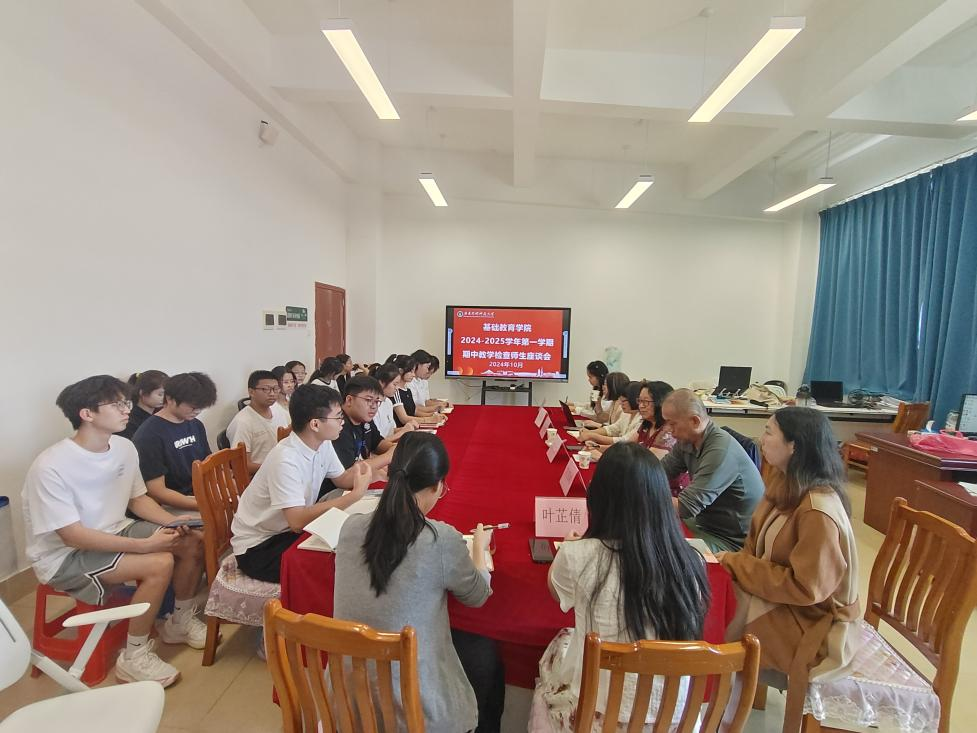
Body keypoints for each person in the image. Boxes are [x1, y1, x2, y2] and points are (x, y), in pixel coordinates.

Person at [23, 375, 208, 688]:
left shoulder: (123, 447)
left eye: (126, 402)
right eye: (117, 404)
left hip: (116, 529)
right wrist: (146, 546)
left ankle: (179, 621)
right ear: (87, 413)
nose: (127, 409)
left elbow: (138, 499)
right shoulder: (51, 466)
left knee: (191, 541)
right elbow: (72, 536)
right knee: (159, 562)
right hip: (65, 555)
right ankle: (133, 657)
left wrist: (173, 523)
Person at [532, 443, 710, 731]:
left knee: (561, 644)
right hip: (674, 720)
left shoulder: (579, 555)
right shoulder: (690, 560)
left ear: (599, 499)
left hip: (598, 716)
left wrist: (569, 546)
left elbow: (556, 589)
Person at [333, 432, 492, 733]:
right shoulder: (440, 539)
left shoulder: (350, 527)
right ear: (436, 486)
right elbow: (478, 595)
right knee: (485, 657)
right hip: (411, 709)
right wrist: (479, 551)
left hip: (347, 703)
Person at [718, 407, 861, 733]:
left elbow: (807, 588)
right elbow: (754, 549)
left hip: (814, 622)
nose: (761, 439)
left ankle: (722, 717)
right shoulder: (785, 483)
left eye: (769, 432)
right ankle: (720, 709)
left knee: (721, 617)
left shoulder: (818, 509)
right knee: (715, 595)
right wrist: (739, 565)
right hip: (785, 601)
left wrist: (738, 564)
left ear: (794, 446)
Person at [230, 385, 373, 583]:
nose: (343, 422)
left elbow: (341, 478)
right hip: (259, 547)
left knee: (352, 542)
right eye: (338, 417)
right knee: (340, 568)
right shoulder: (285, 459)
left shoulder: (323, 442)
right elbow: (297, 522)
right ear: (315, 424)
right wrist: (355, 496)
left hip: (286, 531)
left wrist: (361, 475)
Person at [659, 389, 764, 552]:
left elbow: (685, 507)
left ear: (695, 421)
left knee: (661, 549)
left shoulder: (719, 450)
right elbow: (659, 473)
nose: (667, 429)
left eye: (672, 424)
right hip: (703, 523)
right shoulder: (687, 440)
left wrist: (642, 496)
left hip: (730, 540)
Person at [132, 372, 217, 512]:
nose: (198, 411)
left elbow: (207, 463)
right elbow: (157, 491)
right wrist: (205, 505)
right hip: (173, 503)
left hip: (201, 493)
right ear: (170, 399)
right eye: (193, 407)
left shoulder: (196, 425)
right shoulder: (149, 435)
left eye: (201, 407)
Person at [225, 370, 291, 474]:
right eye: (266, 389)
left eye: (275, 389)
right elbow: (241, 465)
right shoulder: (242, 422)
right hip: (259, 476)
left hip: (281, 468)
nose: (272, 393)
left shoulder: (278, 410)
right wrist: (275, 468)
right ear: (251, 392)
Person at [332, 375, 396, 473]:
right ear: (349, 400)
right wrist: (388, 456)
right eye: (369, 400)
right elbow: (350, 471)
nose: (374, 406)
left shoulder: (365, 419)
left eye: (377, 401)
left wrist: (394, 448)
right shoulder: (338, 426)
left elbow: (377, 443)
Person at [578, 380, 643, 451]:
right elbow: (613, 428)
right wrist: (590, 433)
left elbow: (624, 441)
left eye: (623, 401)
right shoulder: (626, 413)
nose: (621, 403)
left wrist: (593, 435)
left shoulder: (641, 419)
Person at [370, 362, 419, 442]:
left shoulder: (388, 402)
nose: (397, 388)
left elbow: (391, 430)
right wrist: (403, 431)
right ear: (381, 383)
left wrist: (407, 428)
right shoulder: (373, 406)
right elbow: (378, 443)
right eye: (395, 384)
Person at [389, 354, 442, 426]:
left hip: (413, 425)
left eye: (414, 371)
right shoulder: (396, 392)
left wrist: (432, 415)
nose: (413, 375)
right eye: (411, 372)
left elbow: (414, 411)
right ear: (401, 371)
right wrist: (428, 420)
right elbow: (404, 419)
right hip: (405, 428)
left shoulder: (407, 390)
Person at [118, 370, 168, 440]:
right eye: (160, 394)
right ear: (142, 392)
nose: (165, 398)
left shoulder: (161, 414)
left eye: (167, 394)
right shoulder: (130, 421)